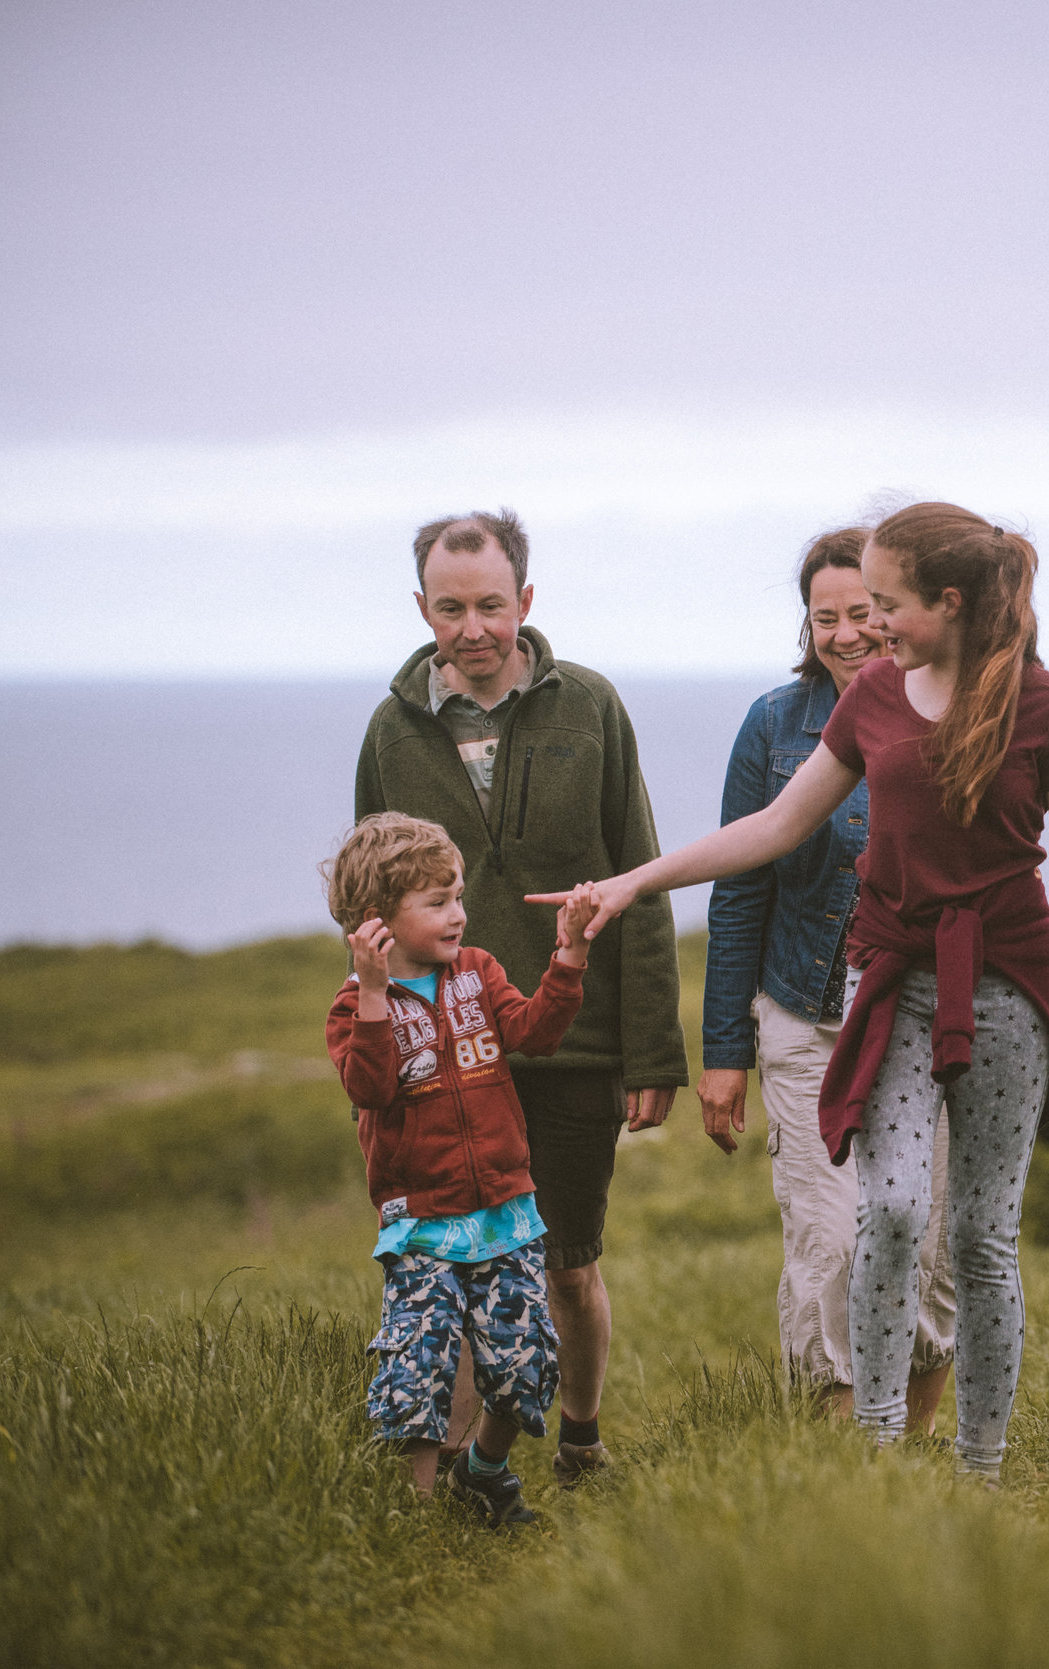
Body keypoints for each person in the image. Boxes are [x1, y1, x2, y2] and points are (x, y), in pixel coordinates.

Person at [539, 501, 1049, 1483]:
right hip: (890, 982)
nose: (872, 625)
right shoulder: (873, 700)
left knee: (980, 1239)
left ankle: (980, 1470)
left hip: (1009, 992)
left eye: (888, 603)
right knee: (890, 1211)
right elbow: (774, 827)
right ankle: (876, 1454)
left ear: (949, 602)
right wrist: (633, 881)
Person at [354, 510, 688, 1487]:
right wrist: (378, 1041)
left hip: (574, 1042)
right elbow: (368, 894)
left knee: (568, 1261)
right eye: (450, 608)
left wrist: (652, 1051)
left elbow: (640, 873)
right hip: (442, 1058)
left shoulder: (591, 707)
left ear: (525, 602)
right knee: (452, 1264)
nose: (473, 628)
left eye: (491, 605)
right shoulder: (390, 732)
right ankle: (456, 1472)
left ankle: (580, 1441)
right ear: (423, 608)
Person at [701, 528, 955, 1428]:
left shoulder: (951, 714)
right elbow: (739, 890)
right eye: (825, 618)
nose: (846, 634)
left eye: (863, 612)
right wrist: (724, 1051)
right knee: (831, 1243)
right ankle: (837, 1465)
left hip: (926, 1023)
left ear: (897, 611)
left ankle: (911, 1457)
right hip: (804, 1019)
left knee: (925, 1247)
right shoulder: (773, 726)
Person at [321, 810, 604, 1526]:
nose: (459, 914)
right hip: (421, 1225)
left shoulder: (477, 972)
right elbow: (370, 1089)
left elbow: (536, 1032)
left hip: (507, 1212)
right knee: (418, 1368)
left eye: (458, 896)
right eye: (438, 901)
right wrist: (376, 994)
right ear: (377, 922)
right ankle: (414, 1526)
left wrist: (569, 955)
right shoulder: (353, 1007)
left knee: (524, 1361)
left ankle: (482, 1472)